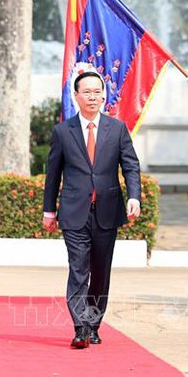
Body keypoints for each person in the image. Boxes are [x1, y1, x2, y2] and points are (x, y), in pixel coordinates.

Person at [42, 63, 141, 349]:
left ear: (103, 96)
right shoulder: (63, 131)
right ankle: (80, 327)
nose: (93, 97)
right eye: (87, 92)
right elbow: (53, 174)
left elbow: (131, 166)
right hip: (74, 212)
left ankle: (94, 324)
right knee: (78, 269)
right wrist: (49, 210)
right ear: (76, 95)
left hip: (107, 211)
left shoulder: (117, 128)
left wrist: (134, 195)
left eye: (97, 92)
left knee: (100, 271)